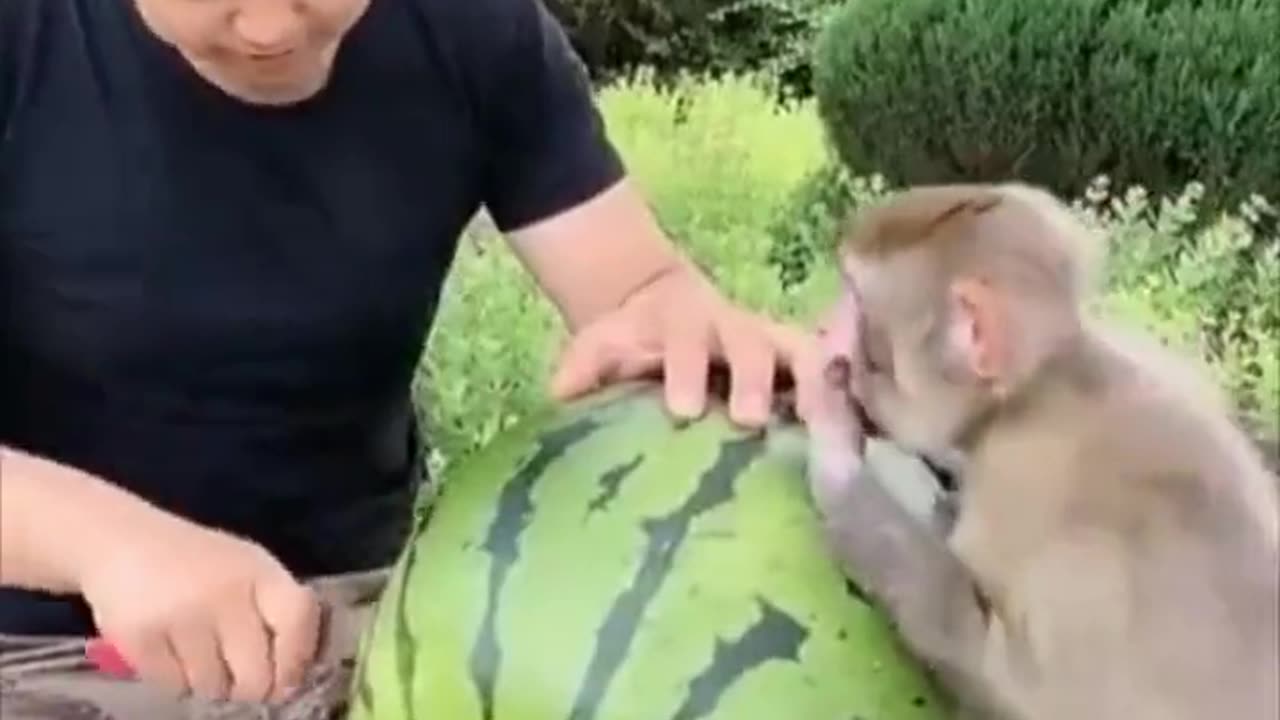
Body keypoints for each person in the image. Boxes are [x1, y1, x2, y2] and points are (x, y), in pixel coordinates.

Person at [0, 0, 824, 715]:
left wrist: (685, 331)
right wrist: (109, 546)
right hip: (41, 639)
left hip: (366, 622)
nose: (269, 28)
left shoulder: (468, 26)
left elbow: (637, 289)